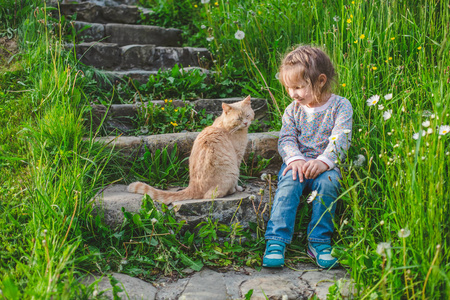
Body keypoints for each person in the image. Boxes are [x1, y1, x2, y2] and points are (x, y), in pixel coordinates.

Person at [263, 45, 353, 269]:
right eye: (288, 87)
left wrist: (323, 162)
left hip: (326, 166)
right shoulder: (293, 110)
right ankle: (276, 240)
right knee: (287, 184)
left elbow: (341, 138)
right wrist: (295, 159)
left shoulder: (340, 106)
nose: (293, 94)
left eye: (299, 87)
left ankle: (319, 241)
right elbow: (286, 139)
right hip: (298, 164)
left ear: (321, 80)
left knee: (329, 184)